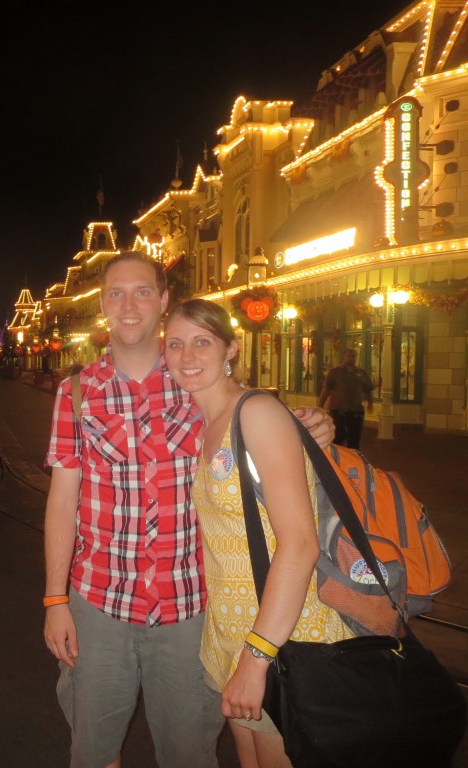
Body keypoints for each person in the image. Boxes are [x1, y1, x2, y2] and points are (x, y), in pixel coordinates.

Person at [43, 251, 334, 768]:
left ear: (163, 300)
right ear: (102, 304)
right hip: (99, 599)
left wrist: (310, 425)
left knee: (189, 754)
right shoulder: (76, 393)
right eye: (115, 293)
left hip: (190, 608)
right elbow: (63, 500)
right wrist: (54, 598)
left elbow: (252, 419)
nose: (128, 305)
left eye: (142, 292)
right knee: (92, 750)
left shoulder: (193, 382)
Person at [163, 299, 353, 767]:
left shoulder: (257, 412)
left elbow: (301, 543)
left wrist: (257, 657)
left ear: (231, 348)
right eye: (175, 344)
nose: (187, 355)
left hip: (284, 642)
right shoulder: (204, 423)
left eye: (202, 342)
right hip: (231, 634)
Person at [317, 348, 373, 448]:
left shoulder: (362, 373)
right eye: (348, 356)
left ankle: (353, 458)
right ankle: (338, 457)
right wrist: (320, 405)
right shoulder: (335, 372)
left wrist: (370, 403)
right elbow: (326, 389)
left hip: (356, 410)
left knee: (354, 437)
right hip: (338, 409)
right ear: (344, 357)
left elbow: (368, 390)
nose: (351, 359)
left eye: (353, 356)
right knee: (339, 435)